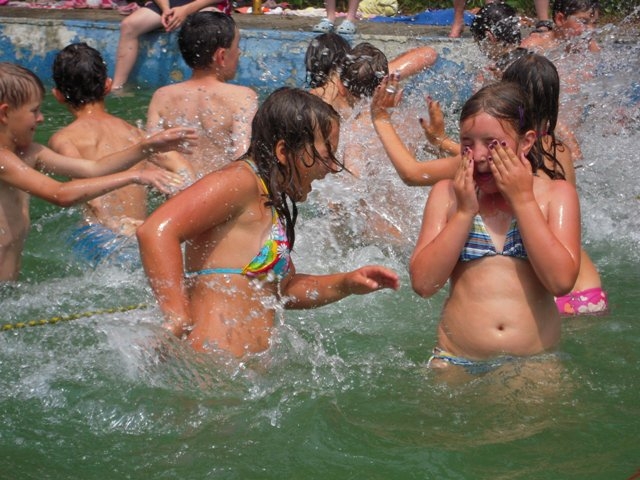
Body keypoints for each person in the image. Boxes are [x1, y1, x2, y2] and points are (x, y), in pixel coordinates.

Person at [136, 87, 400, 357]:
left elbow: (282, 289)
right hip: (207, 366)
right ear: (283, 151)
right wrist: (177, 315)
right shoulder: (239, 180)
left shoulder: (267, 197)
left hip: (239, 372)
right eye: (326, 153)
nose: (333, 167)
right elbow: (155, 231)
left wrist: (346, 283)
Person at [409, 81, 581, 371]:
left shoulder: (555, 195)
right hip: (455, 360)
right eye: (467, 144)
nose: (477, 156)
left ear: (526, 142)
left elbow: (561, 282)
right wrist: (464, 212)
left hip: (534, 362)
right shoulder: (447, 195)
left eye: (492, 144)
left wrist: (523, 201)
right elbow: (424, 284)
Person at [0, 62, 197, 281]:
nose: (41, 118)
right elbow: (60, 194)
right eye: (34, 110)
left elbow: (93, 168)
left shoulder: (30, 153)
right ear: (5, 113)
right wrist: (135, 176)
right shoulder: (3, 159)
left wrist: (146, 147)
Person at [49, 43, 195, 268]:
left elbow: (87, 192)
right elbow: (185, 172)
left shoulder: (64, 139)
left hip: (104, 238)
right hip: (140, 234)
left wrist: (112, 225)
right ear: (107, 86)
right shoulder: (135, 134)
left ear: (57, 95)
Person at [501, 54, 608, 315]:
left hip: (547, 288)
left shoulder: (508, 152)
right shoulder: (561, 151)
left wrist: (440, 142)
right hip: (587, 288)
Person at [146, 11, 258, 178]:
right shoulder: (242, 97)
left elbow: (151, 154)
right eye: (237, 46)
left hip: (179, 190)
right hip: (220, 189)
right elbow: (242, 158)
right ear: (221, 56)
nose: (240, 52)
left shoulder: (162, 96)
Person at [112, 0, 232, 90]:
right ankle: (117, 87)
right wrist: (166, 9)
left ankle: (211, 86)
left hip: (206, 4)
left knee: (210, 29)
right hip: (171, 3)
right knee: (129, 25)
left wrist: (185, 10)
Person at [520, 0, 600, 53]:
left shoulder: (590, 47)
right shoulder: (534, 45)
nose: (591, 29)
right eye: (583, 22)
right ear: (560, 19)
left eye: (594, 23)